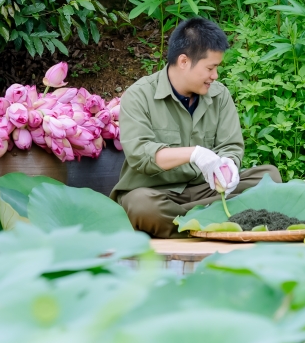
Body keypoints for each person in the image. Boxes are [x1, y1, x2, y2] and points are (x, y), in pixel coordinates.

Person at [112, 17, 281, 237]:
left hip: (207, 191)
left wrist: (228, 166)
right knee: (141, 205)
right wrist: (194, 154)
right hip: (158, 194)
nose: (215, 76)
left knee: (269, 176)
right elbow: (140, 155)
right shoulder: (139, 95)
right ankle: (217, 220)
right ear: (184, 61)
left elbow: (230, 146)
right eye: (210, 68)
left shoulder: (219, 95)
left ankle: (192, 223)